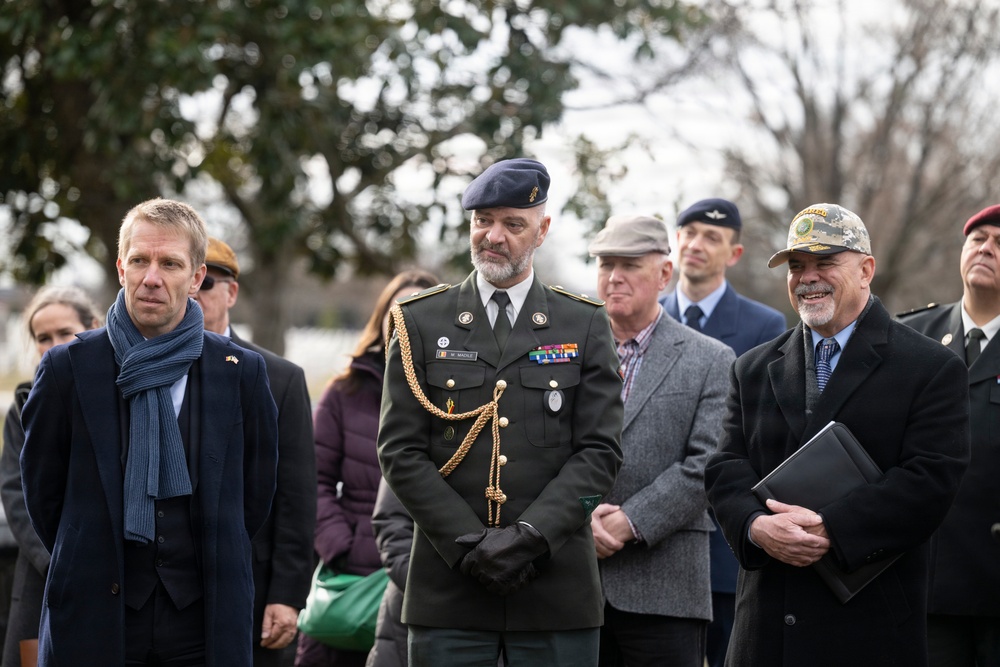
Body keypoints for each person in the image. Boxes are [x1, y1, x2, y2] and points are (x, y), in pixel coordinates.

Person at [377, 157, 624, 667]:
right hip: (449, 590)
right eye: (483, 221)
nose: (494, 236)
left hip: (555, 591)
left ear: (542, 230)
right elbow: (399, 450)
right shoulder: (420, 321)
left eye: (513, 224)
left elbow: (599, 452)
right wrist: (468, 544)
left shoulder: (583, 323)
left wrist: (530, 537)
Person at [704, 203, 970, 667]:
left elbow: (931, 480)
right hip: (765, 628)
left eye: (825, 262)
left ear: (866, 269)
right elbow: (725, 468)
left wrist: (832, 527)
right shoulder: (751, 368)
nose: (808, 277)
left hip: (867, 629)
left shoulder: (929, 367)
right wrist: (756, 526)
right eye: (797, 266)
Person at [20, 197, 279, 666]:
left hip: (203, 624)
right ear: (121, 268)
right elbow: (44, 495)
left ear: (197, 277)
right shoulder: (67, 369)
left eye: (170, 263)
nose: (151, 277)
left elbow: (255, 497)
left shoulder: (239, 371)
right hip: (96, 621)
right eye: (139, 260)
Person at [586, 215, 734, 667]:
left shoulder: (711, 359)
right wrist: (577, 519)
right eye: (606, 264)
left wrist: (630, 521)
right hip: (573, 583)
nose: (614, 277)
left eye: (630, 265)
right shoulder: (563, 353)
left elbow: (706, 463)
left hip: (665, 589)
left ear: (664, 273)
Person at [659, 197, 786, 667]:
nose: (695, 244)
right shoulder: (647, 317)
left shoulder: (763, 326)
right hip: (652, 542)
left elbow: (756, 437)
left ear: (734, 254)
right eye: (688, 232)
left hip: (722, 544)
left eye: (711, 237)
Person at [297, 269, 438, 667]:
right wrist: (338, 544)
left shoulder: (459, 400)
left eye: (421, 313)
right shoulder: (345, 392)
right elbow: (313, 478)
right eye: (400, 313)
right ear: (382, 320)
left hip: (419, 579)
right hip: (352, 576)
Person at [193, 237, 317, 667]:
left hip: (254, 586)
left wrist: (286, 594)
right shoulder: (143, 367)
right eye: (187, 280)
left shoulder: (279, 377)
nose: (195, 292)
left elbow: (298, 495)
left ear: (232, 292)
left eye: (206, 282)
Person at [897, 204, 1000, 666]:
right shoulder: (909, 338)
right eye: (978, 239)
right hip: (925, 578)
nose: (987, 249)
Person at [0, 286, 102, 667]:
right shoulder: (25, 404)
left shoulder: (119, 397)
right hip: (43, 573)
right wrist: (58, 561)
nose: (54, 344)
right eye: (43, 338)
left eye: (64, 332)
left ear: (93, 327)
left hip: (106, 576)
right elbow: (15, 492)